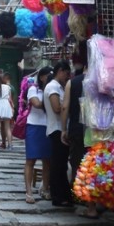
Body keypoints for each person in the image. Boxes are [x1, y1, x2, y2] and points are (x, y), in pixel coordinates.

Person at [62, 66, 97, 217]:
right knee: (95, 166)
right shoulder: (100, 81)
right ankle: (93, 203)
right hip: (96, 131)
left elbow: (65, 107)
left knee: (78, 165)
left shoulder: (72, 82)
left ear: (82, 66)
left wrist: (63, 129)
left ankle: (84, 201)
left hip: (77, 129)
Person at [44, 60, 73, 207]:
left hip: (58, 128)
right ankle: (57, 195)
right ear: (60, 71)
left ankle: (63, 195)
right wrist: (68, 107)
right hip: (56, 129)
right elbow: (57, 108)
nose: (67, 77)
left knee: (60, 164)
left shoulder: (58, 86)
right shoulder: (53, 86)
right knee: (58, 164)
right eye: (67, 74)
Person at [24, 67, 52, 204]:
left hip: (49, 126)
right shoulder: (33, 89)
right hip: (34, 126)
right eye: (48, 75)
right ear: (41, 77)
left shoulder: (54, 89)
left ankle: (45, 188)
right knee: (31, 160)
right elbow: (36, 103)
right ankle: (29, 191)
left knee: (47, 160)